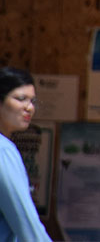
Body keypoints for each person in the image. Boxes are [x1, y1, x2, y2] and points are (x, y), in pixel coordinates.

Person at [0, 66, 53, 242]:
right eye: (21, 99)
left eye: (33, 101)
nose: (29, 108)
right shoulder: (4, 151)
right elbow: (28, 227)